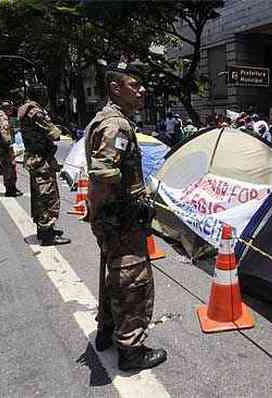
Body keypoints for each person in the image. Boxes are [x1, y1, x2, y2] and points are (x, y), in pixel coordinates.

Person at [85, 62, 166, 372]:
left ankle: (106, 329)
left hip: (108, 216)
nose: (141, 90)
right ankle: (131, 349)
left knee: (113, 270)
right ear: (116, 88)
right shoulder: (116, 125)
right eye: (134, 85)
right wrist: (129, 206)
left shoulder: (108, 119)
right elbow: (105, 172)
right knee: (132, 278)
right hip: (119, 217)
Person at [18, 84, 70, 246]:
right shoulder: (36, 112)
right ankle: (47, 233)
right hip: (42, 160)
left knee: (39, 195)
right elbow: (54, 134)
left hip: (35, 158)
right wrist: (58, 129)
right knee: (47, 196)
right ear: (40, 95)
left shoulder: (25, 109)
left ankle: (44, 229)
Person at [0, 101, 21, 196]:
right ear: (8, 108)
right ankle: (10, 190)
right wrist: (11, 145)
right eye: (11, 109)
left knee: (9, 167)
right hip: (4, 147)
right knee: (9, 167)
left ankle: (12, 188)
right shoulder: (2, 117)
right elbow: (5, 132)